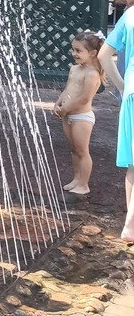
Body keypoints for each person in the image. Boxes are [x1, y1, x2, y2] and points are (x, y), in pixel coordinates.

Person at [98, 5, 134, 244]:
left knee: (133, 164)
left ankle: (131, 225)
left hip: (131, 93)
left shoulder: (130, 14)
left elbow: (103, 55)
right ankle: (130, 225)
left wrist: (122, 86)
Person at [53, 31, 105, 196]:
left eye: (78, 50)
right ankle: (76, 178)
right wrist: (58, 103)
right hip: (68, 114)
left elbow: (84, 98)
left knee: (82, 151)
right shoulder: (74, 69)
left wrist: (65, 108)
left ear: (93, 53)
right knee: (74, 149)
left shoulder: (92, 74)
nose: (74, 53)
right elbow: (67, 89)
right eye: (73, 49)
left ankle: (84, 184)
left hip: (81, 117)